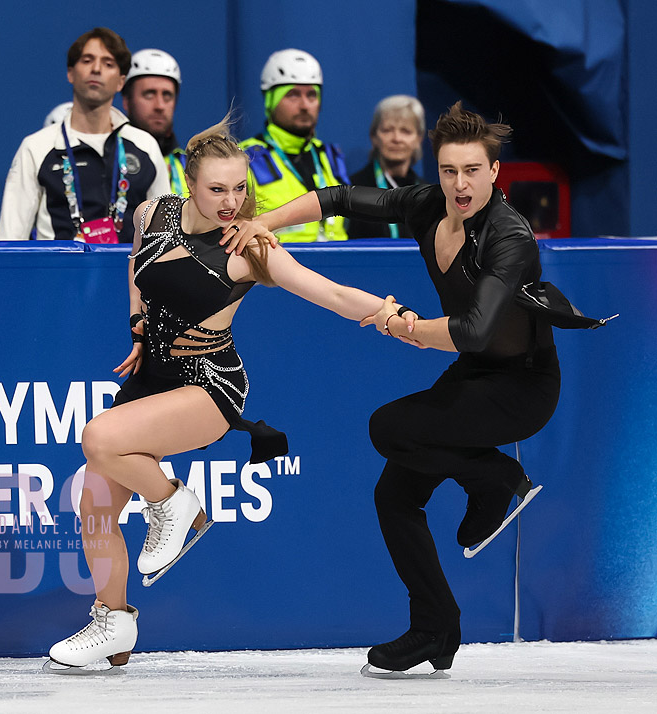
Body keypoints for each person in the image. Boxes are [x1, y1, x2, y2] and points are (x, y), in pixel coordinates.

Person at [44, 117, 405, 672]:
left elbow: (330, 293)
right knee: (94, 502)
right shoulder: (152, 213)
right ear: (189, 184)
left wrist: (389, 315)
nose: (232, 202)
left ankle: (173, 504)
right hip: (152, 378)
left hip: (209, 386)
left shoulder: (252, 247)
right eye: (217, 189)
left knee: (98, 438)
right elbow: (137, 269)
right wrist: (139, 328)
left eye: (240, 188)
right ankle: (113, 622)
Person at [227, 102, 561, 675]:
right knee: (395, 495)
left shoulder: (510, 236)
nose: (460, 185)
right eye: (449, 171)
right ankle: (436, 626)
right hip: (476, 375)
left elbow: (474, 331)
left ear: (494, 172)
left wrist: (404, 326)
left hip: (522, 386)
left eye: (472, 171)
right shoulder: (427, 204)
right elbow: (336, 197)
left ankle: (498, 478)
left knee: (389, 427)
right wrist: (265, 223)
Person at [0, 27, 169, 243]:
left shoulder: (145, 146)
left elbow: (166, 236)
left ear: (120, 82)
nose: (96, 69)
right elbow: (10, 239)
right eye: (87, 60)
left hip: (127, 265)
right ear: (70, 73)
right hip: (58, 265)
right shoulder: (36, 147)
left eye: (108, 63)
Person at [239, 50, 348, 243]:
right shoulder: (243, 158)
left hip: (338, 257)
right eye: (293, 95)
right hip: (277, 259)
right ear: (270, 101)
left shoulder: (329, 156)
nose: (305, 105)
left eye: (312, 95)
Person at [347, 95, 426, 239]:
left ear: (418, 139)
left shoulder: (427, 195)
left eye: (406, 131)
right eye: (387, 130)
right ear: (374, 137)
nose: (396, 138)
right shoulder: (353, 191)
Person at [121, 48, 188, 197]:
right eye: (149, 94)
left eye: (167, 95)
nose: (160, 105)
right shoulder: (111, 160)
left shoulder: (191, 168)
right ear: (126, 101)